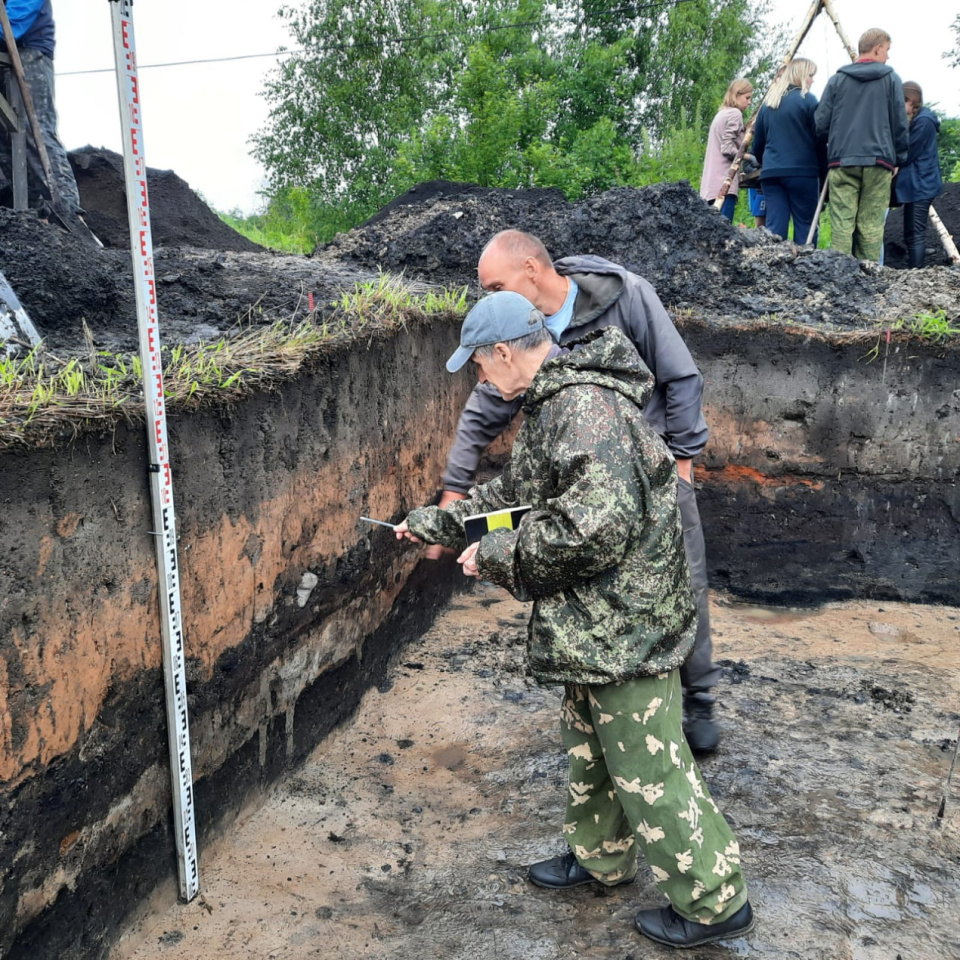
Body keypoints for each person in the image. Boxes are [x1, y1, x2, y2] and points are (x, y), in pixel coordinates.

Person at [395, 291, 754, 949]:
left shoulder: (585, 412)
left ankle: (714, 899)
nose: (481, 379)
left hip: (626, 628)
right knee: (593, 752)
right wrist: (436, 523)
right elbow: (517, 498)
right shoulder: (554, 406)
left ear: (504, 353)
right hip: (593, 626)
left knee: (651, 769)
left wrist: (497, 555)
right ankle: (601, 859)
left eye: (479, 367)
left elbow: (592, 529)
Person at [434, 230, 722, 755]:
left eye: (496, 284)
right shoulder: (519, 334)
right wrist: (455, 490)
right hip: (583, 484)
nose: (491, 298)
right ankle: (615, 701)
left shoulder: (626, 297)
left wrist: (681, 465)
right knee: (596, 584)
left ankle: (696, 699)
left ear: (530, 269)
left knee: (684, 578)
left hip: (653, 473)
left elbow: (680, 378)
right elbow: (483, 412)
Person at [814, 28, 908, 262]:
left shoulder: (837, 80)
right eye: (887, 50)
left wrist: (833, 144)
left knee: (842, 224)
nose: (888, 56)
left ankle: (839, 277)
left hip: (842, 161)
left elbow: (820, 124)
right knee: (871, 225)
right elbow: (900, 123)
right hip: (879, 162)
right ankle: (869, 282)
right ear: (877, 48)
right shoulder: (891, 79)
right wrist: (899, 157)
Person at [0, 0, 81, 216]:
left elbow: (18, 15)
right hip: (3, 53)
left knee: (34, 130)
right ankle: (22, 212)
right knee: (4, 138)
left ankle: (66, 210)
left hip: (27, 49)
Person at [752, 58, 824, 245]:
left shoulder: (769, 104)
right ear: (800, 75)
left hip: (771, 173)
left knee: (775, 227)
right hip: (802, 172)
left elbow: (757, 145)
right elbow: (819, 138)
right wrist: (823, 168)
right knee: (805, 226)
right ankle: (805, 268)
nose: (812, 80)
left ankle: (774, 269)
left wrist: (766, 161)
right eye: (810, 75)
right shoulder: (808, 100)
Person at [894, 82, 943, 269]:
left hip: (921, 185)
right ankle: (914, 273)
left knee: (915, 234)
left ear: (910, 101)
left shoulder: (923, 122)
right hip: (919, 184)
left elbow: (909, 152)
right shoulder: (921, 119)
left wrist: (895, 163)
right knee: (911, 233)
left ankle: (916, 275)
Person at [700, 78, 753, 221]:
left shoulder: (721, 114)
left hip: (710, 187)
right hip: (724, 185)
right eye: (747, 97)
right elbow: (727, 147)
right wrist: (748, 157)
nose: (750, 102)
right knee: (723, 235)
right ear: (736, 95)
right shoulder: (735, 114)